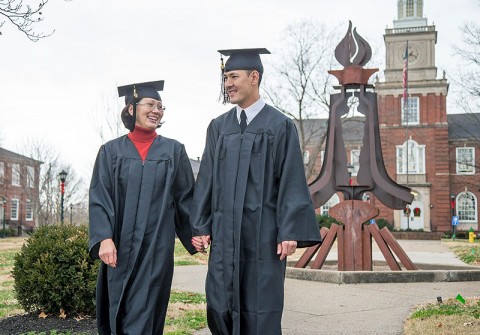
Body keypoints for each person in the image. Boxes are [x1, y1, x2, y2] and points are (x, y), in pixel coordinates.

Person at [191, 48, 322, 335]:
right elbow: (207, 180)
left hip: (263, 237)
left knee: (261, 307)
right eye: (225, 78)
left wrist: (289, 230)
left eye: (233, 77)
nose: (227, 84)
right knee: (219, 304)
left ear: (254, 77)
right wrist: (200, 225)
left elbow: (291, 180)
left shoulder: (279, 126)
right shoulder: (218, 128)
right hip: (225, 237)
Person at [88, 80, 196, 334]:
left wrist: (196, 233)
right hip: (119, 248)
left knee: (147, 309)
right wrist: (104, 238)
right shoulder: (110, 151)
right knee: (119, 306)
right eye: (150, 104)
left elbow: (185, 199)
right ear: (130, 108)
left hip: (156, 249)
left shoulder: (174, 151)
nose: (156, 110)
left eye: (160, 106)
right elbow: (100, 197)